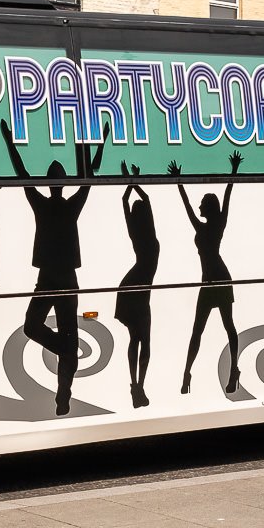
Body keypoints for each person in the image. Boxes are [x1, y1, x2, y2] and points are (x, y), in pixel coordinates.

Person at [0, 119, 107, 416]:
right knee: (55, 334)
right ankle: (64, 359)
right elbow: (88, 179)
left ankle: (63, 394)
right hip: (62, 277)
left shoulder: (44, 204)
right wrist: (98, 143)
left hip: (49, 276)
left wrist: (10, 143)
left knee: (33, 325)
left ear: (50, 182)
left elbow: (22, 174)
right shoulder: (67, 205)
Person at [172, 151, 243, 395]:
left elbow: (227, 194)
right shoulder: (206, 226)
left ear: (209, 209)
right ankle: (187, 372)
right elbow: (188, 207)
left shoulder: (214, 225)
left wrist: (233, 172)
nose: (200, 206)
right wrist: (178, 182)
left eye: (203, 204)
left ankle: (234, 369)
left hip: (220, 280)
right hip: (212, 281)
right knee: (201, 330)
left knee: (226, 327)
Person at [113, 164, 159, 408]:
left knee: (135, 339)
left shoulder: (137, 234)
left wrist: (128, 183)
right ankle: (138, 387)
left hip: (132, 287)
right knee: (145, 342)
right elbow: (146, 199)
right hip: (139, 289)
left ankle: (136, 387)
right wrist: (133, 180)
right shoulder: (150, 238)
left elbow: (125, 201)